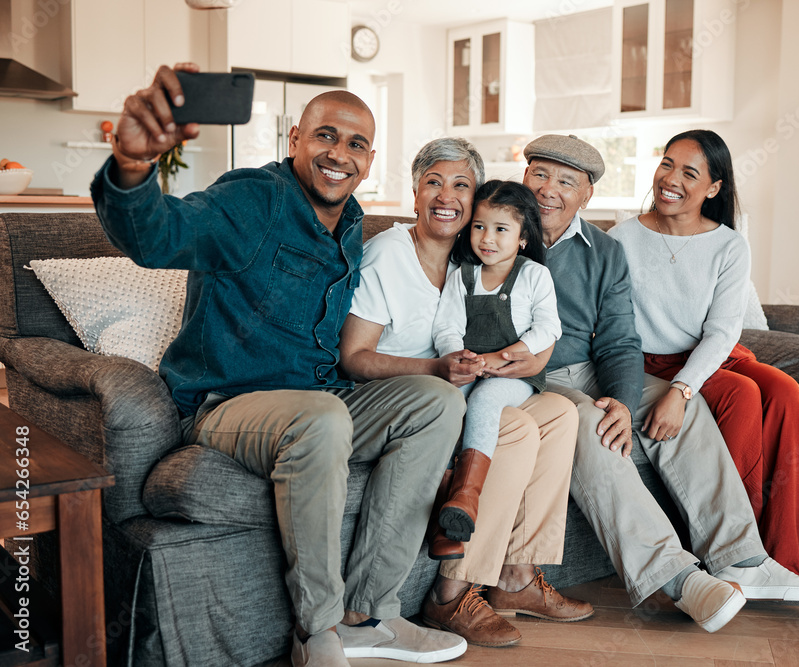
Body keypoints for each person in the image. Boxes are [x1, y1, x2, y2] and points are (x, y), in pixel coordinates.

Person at [92, 63, 467, 667]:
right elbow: (159, 235)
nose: (339, 153)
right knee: (320, 417)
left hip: (323, 398)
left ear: (370, 161)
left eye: (356, 144)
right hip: (229, 405)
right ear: (295, 139)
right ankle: (317, 631)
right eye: (325, 135)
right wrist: (132, 166)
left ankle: (372, 616)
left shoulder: (350, 222)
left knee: (437, 401)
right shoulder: (252, 200)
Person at [490, 133, 799, 634]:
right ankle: (675, 578)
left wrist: (626, 402)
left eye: (566, 181)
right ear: (524, 178)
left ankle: (740, 559)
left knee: (685, 408)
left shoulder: (603, 248)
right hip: (531, 376)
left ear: (587, 195)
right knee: (588, 423)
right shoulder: (494, 232)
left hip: (591, 366)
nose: (548, 190)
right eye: (539, 174)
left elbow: (618, 341)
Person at [338, 138, 590, 649]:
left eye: (460, 186)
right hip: (412, 395)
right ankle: (452, 589)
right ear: (414, 194)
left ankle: (516, 576)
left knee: (562, 412)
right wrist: (439, 368)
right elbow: (355, 357)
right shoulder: (389, 252)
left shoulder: (471, 257)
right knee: (514, 425)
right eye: (433, 182)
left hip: (478, 383)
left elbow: (539, 335)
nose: (446, 196)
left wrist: (519, 358)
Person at [608, 129, 799, 573]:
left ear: (713, 188)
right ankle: (735, 554)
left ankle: (784, 560)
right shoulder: (622, 238)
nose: (670, 178)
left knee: (786, 391)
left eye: (689, 172)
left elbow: (721, 331)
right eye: (666, 164)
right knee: (742, 395)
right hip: (648, 359)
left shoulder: (729, 245)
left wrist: (680, 392)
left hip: (708, 353)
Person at [430, 179, 561, 551]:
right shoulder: (463, 276)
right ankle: (447, 510)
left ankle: (467, 497)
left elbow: (549, 327)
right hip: (471, 366)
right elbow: (447, 326)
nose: (487, 238)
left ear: (522, 237)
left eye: (501, 229)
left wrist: (508, 354)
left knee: (485, 402)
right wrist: (459, 356)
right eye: (479, 226)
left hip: (515, 373)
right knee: (449, 402)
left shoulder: (534, 275)